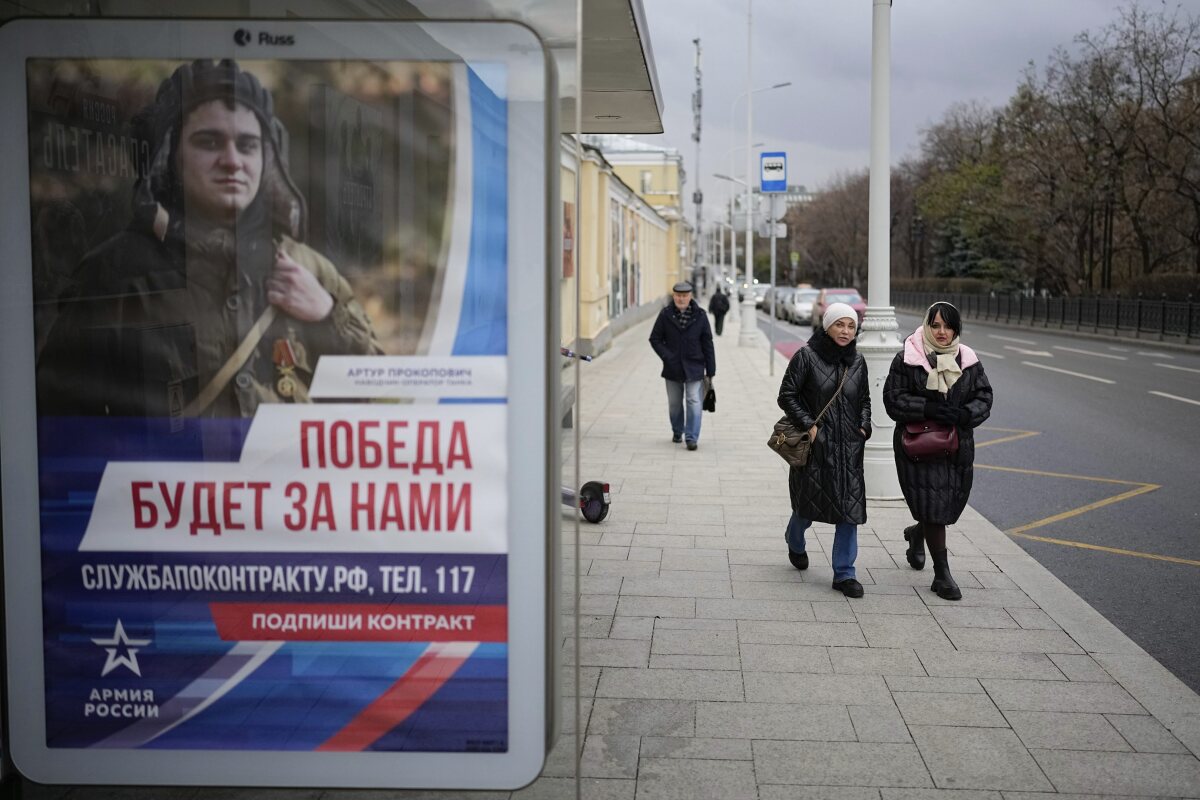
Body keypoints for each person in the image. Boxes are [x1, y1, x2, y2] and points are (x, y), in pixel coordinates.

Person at [38, 59, 381, 419]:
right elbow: (61, 425)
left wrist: (328, 317)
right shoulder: (114, 274)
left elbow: (371, 403)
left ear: (267, 160)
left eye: (248, 145)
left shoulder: (310, 270)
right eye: (209, 142)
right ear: (170, 156)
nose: (232, 161)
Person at [883, 301, 993, 601]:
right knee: (934, 506)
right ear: (926, 325)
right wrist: (927, 408)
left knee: (944, 506)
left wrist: (964, 414)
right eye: (936, 325)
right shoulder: (908, 358)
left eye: (948, 326)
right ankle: (942, 574)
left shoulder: (968, 359)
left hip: (956, 444)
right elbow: (893, 400)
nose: (942, 332)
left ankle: (917, 534)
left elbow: (984, 396)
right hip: (918, 445)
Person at [777, 303, 872, 597]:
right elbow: (787, 395)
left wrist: (864, 426)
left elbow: (865, 399)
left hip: (850, 449)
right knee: (806, 509)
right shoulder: (806, 356)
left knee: (849, 511)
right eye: (840, 324)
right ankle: (795, 540)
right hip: (817, 449)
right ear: (827, 325)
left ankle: (844, 574)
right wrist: (810, 426)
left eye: (851, 326)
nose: (845, 331)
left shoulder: (857, 362)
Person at [649, 280, 716, 451]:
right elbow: (655, 339)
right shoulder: (665, 314)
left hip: (695, 366)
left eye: (684, 296)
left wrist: (711, 369)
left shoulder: (700, 315)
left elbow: (707, 342)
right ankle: (677, 431)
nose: (681, 299)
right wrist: (666, 355)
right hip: (672, 367)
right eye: (678, 295)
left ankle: (692, 438)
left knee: (694, 401)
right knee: (675, 404)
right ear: (674, 296)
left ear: (690, 296)